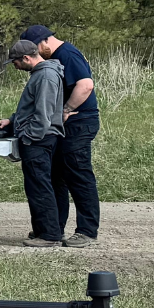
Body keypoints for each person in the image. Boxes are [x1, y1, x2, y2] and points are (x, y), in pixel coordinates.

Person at [23, 23, 99, 248]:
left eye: (35, 48)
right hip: (66, 126)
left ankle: (87, 231)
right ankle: (53, 228)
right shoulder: (54, 58)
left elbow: (85, 85)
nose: (35, 53)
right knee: (58, 176)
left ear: (44, 41)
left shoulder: (66, 54)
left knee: (79, 176)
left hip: (79, 122)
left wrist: (66, 109)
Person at [0, 40, 68, 247]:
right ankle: (45, 229)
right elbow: (31, 107)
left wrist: (29, 137)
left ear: (26, 58)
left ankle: (50, 235)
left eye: (15, 62)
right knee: (38, 185)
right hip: (41, 137)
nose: (14, 66)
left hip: (39, 139)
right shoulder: (43, 74)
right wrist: (13, 120)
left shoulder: (45, 76)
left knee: (40, 186)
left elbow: (43, 113)